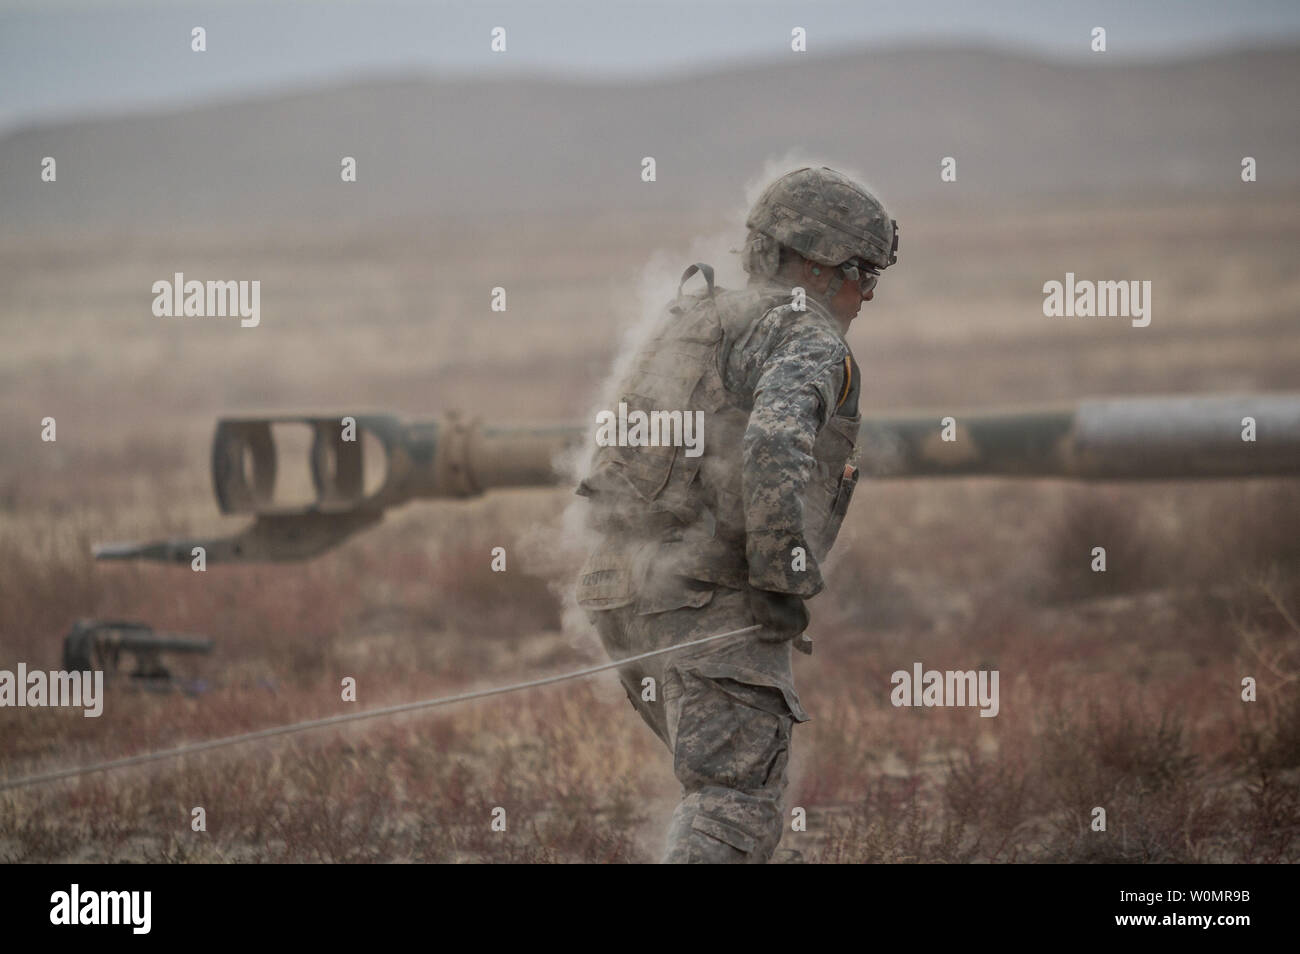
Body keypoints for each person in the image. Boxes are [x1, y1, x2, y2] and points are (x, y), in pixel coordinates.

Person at [574, 166, 898, 862]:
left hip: (620, 593)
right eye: (862, 274)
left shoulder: (695, 318)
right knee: (733, 802)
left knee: (720, 785)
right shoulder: (805, 333)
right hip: (703, 600)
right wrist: (783, 576)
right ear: (815, 267)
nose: (866, 295)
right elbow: (777, 438)